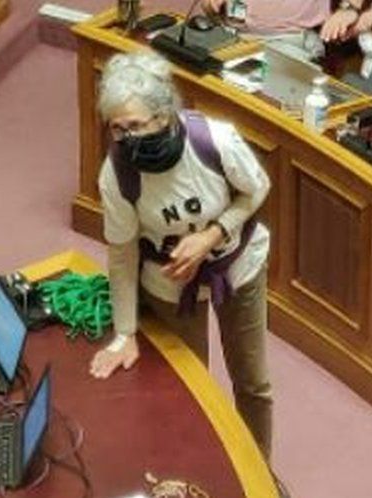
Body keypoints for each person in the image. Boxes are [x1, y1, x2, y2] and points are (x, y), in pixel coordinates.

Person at [88, 51, 274, 459]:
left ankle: (259, 472)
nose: (128, 139)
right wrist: (125, 334)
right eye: (118, 129)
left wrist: (213, 234)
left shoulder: (215, 140)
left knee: (253, 382)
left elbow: (256, 189)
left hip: (238, 266)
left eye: (136, 125)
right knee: (188, 390)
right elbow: (121, 255)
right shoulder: (116, 174)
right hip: (170, 284)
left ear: (165, 115)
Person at [200, 0, 329, 60]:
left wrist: (348, 10)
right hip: (228, 34)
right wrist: (211, 4)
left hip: (287, 42)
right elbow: (207, 7)